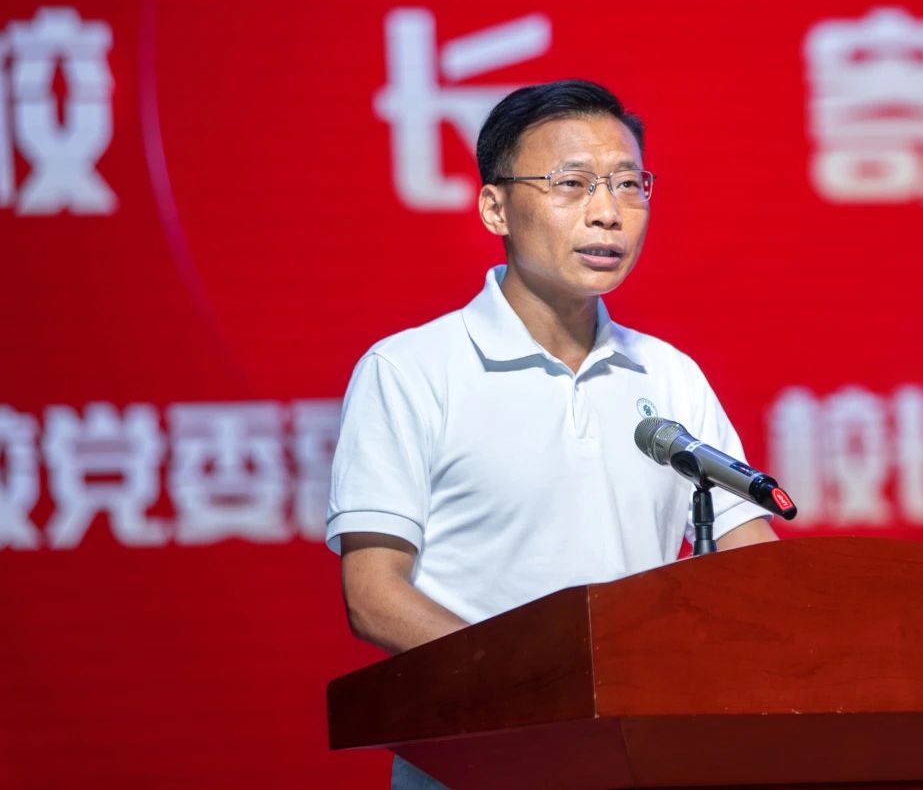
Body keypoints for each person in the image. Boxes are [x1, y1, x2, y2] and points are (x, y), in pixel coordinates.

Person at [325, 79, 778, 787]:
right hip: (476, 759)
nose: (607, 213)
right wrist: (538, 686)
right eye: (572, 184)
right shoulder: (412, 369)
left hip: (636, 756)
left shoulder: (668, 373)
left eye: (628, 184)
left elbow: (755, 564)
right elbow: (373, 593)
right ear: (495, 207)